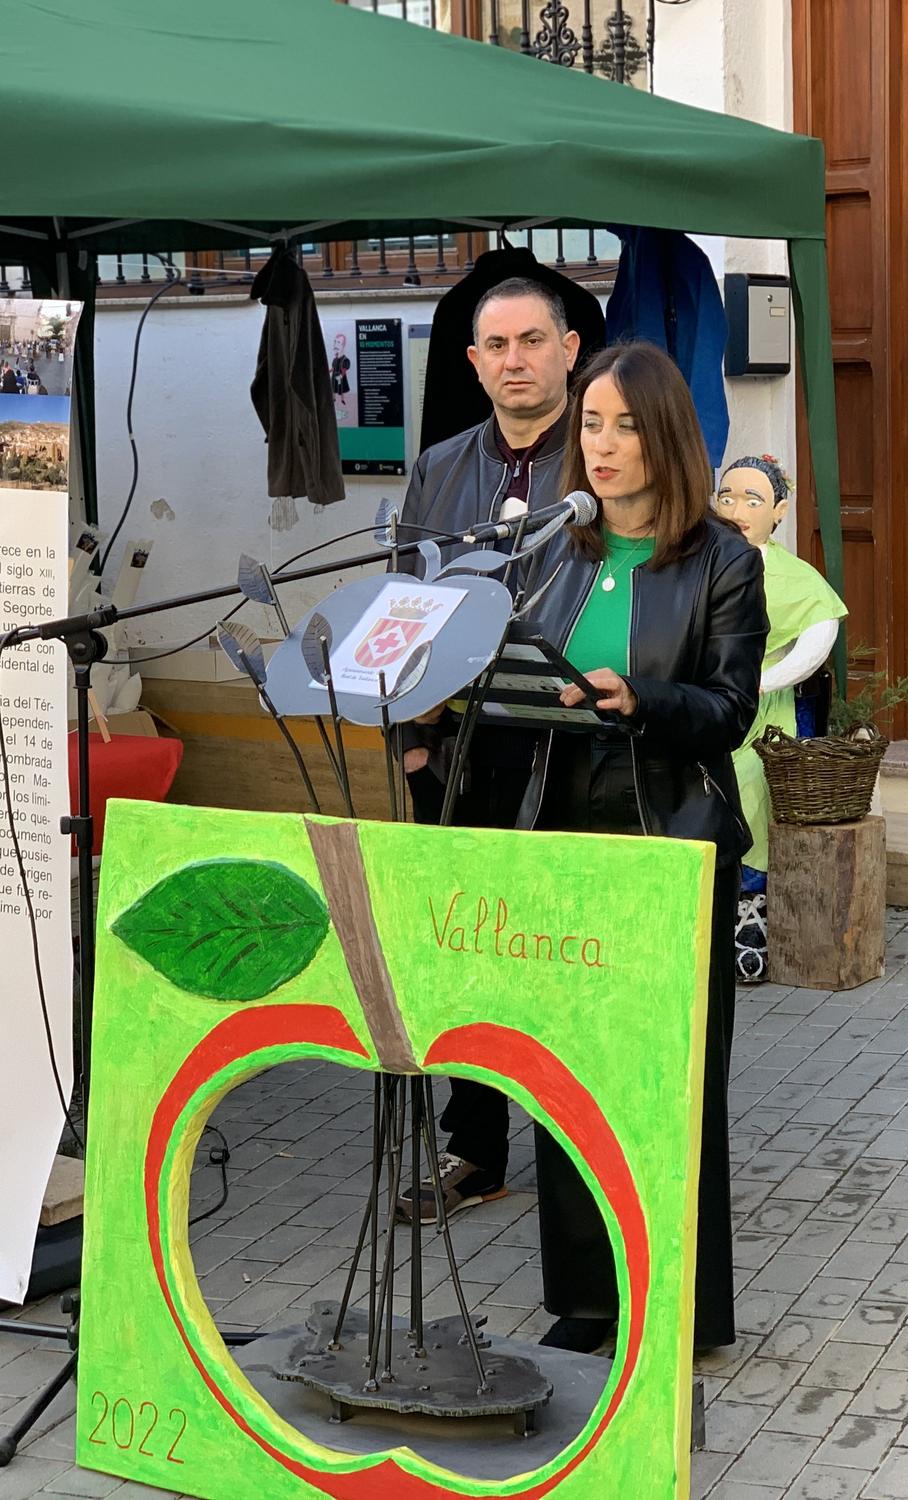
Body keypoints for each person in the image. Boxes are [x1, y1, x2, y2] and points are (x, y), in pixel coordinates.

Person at [510, 341, 763, 1353]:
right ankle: (585, 1298)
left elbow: (730, 710)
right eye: (588, 425)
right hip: (564, 840)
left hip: (671, 842)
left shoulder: (722, 561)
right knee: (564, 1076)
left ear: (664, 435)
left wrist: (639, 699)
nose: (601, 446)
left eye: (622, 425)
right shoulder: (550, 549)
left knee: (667, 1081)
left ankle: (680, 1307)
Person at [390, 277, 584, 1226]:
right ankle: (475, 1148)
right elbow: (403, 606)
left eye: (532, 341)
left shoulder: (608, 453)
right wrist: (414, 746)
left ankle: (577, 1149)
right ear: (474, 363)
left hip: (572, 744)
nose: (515, 360)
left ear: (569, 350)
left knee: (554, 954)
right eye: (496, 345)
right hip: (463, 746)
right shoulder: (439, 468)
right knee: (463, 952)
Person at [712, 454, 846, 984]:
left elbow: (818, 634)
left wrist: (764, 680)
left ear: (779, 510)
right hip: (700, 703)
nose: (737, 509)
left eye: (752, 499)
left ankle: (748, 912)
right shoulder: (699, 559)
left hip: (760, 707)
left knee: (748, 788)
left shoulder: (792, 577)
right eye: (727, 497)